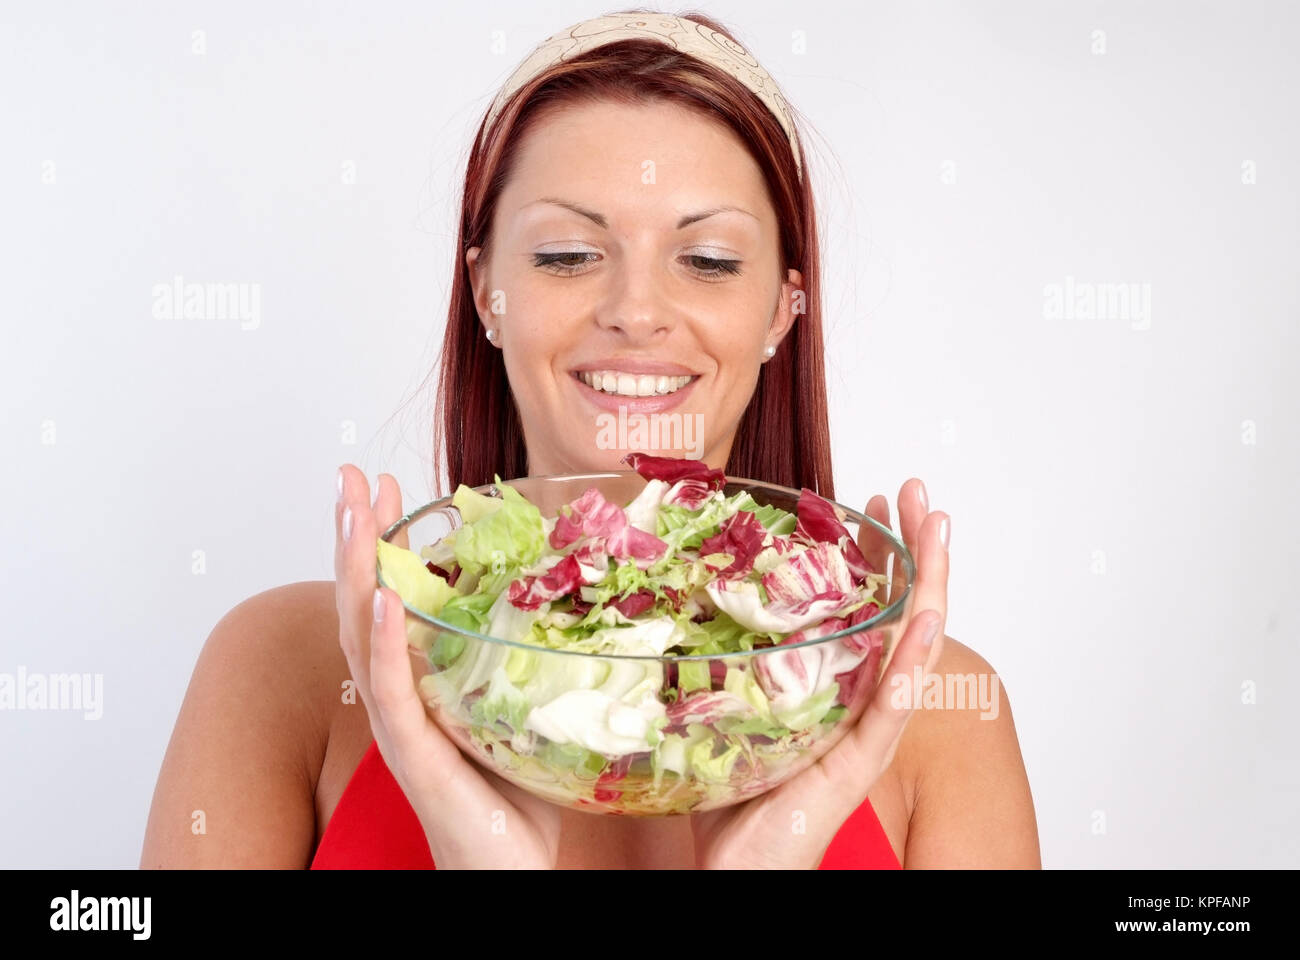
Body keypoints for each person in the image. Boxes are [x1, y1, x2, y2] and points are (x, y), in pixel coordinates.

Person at [141, 10, 1040, 869]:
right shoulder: (286, 671)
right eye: (567, 254)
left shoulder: (941, 719)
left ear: (781, 309)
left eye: (710, 260)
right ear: (486, 289)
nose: (634, 312)